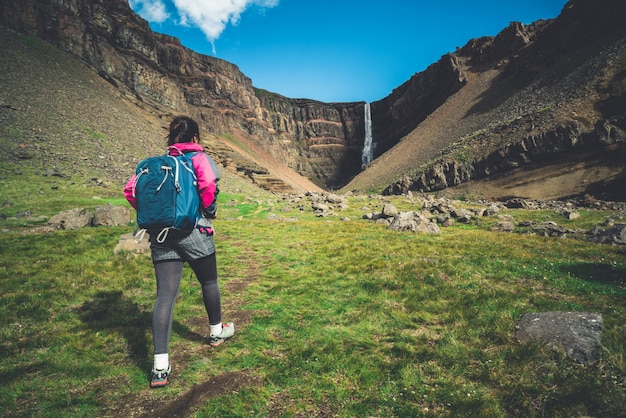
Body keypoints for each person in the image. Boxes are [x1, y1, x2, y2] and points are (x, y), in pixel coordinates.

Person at [124, 116, 234, 388]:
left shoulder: (158, 164)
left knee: (165, 295)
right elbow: (208, 185)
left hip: (161, 235)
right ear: (195, 138)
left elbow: (129, 190)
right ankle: (216, 332)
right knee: (209, 281)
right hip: (193, 231)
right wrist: (208, 210)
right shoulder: (198, 158)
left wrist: (158, 215)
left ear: (171, 139)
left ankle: (160, 367)